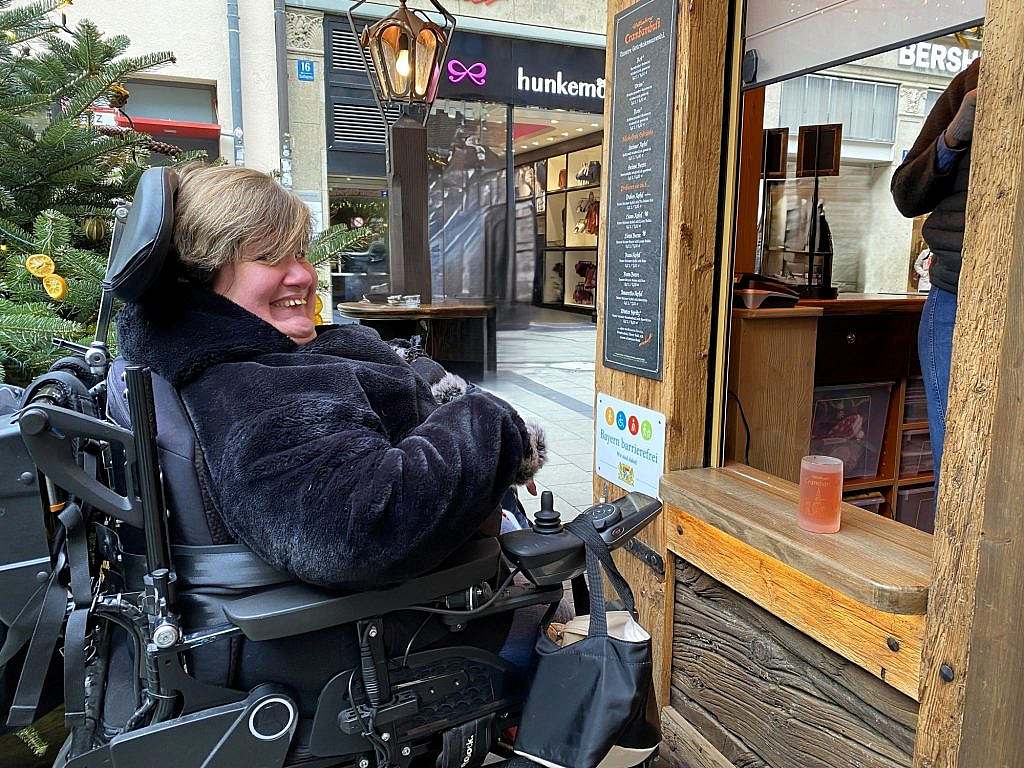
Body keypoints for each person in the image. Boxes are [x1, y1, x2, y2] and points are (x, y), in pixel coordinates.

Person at [109, 164, 548, 716]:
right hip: (389, 637)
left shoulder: (243, 352)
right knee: (559, 606)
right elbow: (360, 527)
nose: (304, 276)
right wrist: (493, 426)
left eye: (302, 254)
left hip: (383, 606)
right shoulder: (248, 386)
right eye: (271, 258)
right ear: (203, 274)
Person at [891, 57, 979, 480]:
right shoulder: (976, 77)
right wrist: (954, 136)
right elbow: (906, 193)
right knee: (960, 467)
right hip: (955, 295)